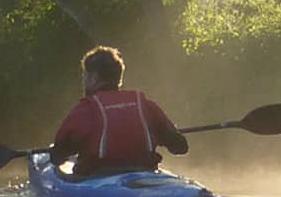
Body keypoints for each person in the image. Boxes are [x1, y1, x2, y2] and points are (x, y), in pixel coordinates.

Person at [48, 46, 188, 176]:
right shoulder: (145, 105)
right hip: (145, 173)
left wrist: (61, 150)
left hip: (98, 178)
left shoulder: (85, 110)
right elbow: (180, 146)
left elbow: (57, 157)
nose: (83, 81)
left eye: (85, 76)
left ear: (94, 78)